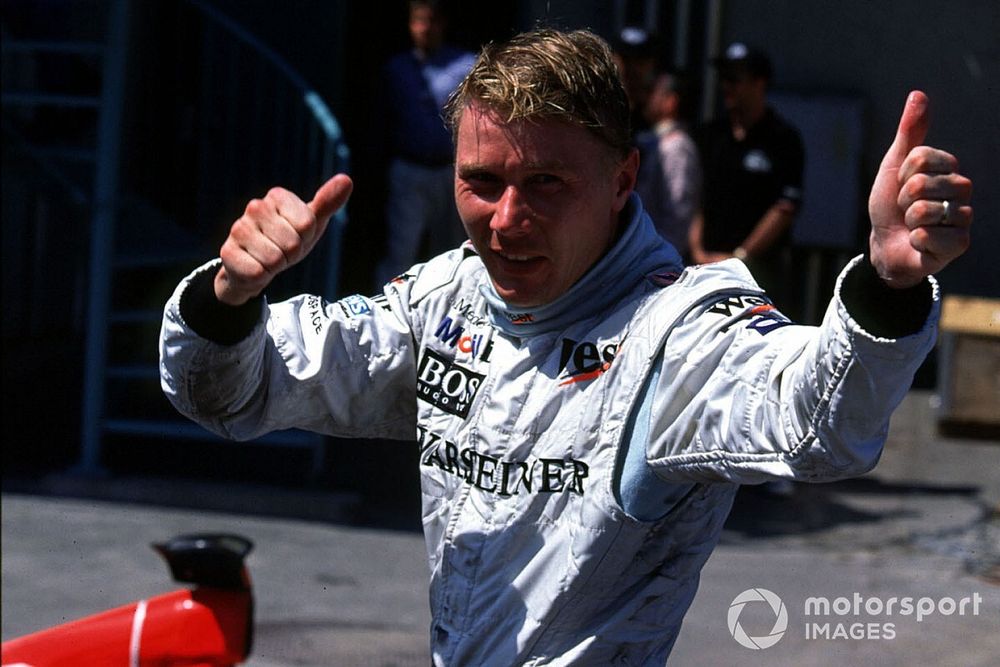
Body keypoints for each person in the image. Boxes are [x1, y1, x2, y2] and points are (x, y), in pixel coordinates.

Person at [159, 29, 972, 665]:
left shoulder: (680, 331)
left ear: (623, 180)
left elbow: (816, 422)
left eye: (547, 183)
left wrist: (886, 286)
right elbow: (232, 389)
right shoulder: (448, 296)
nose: (506, 220)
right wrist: (230, 296)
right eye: (482, 181)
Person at [689, 42, 805, 309]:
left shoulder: (782, 138)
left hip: (757, 272)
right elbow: (696, 198)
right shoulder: (710, 134)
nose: (726, 86)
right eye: (723, 78)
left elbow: (785, 206)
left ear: (759, 83)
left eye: (735, 79)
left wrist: (740, 256)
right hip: (706, 266)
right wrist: (697, 251)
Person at [373, 0, 475, 287]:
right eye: (418, 21)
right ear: (409, 24)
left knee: (453, 252)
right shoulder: (397, 68)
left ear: (442, 23)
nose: (424, 29)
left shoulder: (465, 64)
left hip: (449, 170)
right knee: (401, 250)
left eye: (430, 21)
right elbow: (381, 120)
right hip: (409, 169)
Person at [634, 69, 702, 259]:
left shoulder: (677, 147)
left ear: (670, 102)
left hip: (657, 262)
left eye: (653, 92)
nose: (646, 99)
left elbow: (677, 215)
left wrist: (659, 261)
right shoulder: (654, 141)